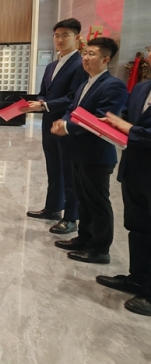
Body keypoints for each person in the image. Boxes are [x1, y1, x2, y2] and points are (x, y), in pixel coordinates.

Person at [51, 37, 128, 264]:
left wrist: (67, 127)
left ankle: (99, 250)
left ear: (105, 59)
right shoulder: (86, 83)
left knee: (97, 203)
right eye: (85, 53)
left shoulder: (113, 85)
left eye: (92, 54)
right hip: (78, 152)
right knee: (84, 200)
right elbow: (73, 110)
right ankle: (84, 239)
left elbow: (102, 119)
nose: (85, 58)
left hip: (96, 155)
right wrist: (64, 121)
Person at [96, 45, 151, 316]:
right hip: (135, 170)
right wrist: (108, 123)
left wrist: (130, 129)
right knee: (138, 227)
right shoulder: (141, 89)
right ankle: (138, 279)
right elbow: (125, 118)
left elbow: (131, 127)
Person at [22, 19, 88, 234]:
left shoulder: (80, 64)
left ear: (77, 37)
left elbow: (74, 97)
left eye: (65, 35)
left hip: (66, 125)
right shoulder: (52, 65)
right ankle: (52, 208)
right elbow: (44, 92)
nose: (60, 39)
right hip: (49, 124)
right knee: (54, 168)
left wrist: (44, 105)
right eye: (57, 35)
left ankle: (71, 218)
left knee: (69, 172)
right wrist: (41, 102)